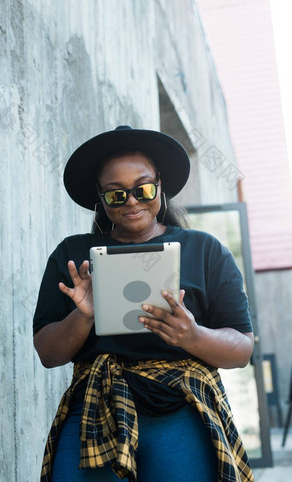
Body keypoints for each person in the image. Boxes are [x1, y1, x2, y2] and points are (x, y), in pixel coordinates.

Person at [33, 126, 255, 482]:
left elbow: (242, 349)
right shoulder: (73, 255)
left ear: (160, 185)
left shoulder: (205, 250)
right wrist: (84, 315)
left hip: (180, 409)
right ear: (100, 198)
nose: (132, 201)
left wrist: (193, 337)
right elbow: (48, 353)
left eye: (143, 188)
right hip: (96, 407)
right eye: (116, 194)